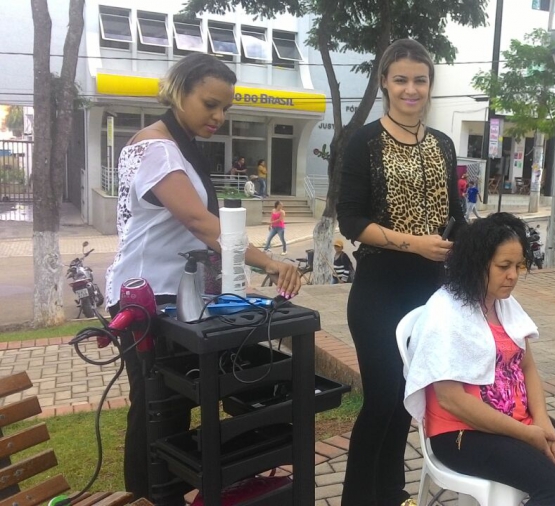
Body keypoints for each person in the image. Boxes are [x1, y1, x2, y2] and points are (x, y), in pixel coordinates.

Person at [103, 53, 301, 502]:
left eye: (225, 108)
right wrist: (268, 263)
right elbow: (199, 222)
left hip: (173, 294)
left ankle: (170, 493)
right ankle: (150, 496)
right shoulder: (157, 149)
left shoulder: (175, 145)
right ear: (178, 93)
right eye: (210, 104)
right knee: (157, 408)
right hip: (148, 297)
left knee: (171, 406)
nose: (219, 116)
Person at [337, 38, 466, 506]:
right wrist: (416, 243)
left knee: (407, 401)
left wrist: (474, 251)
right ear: (384, 83)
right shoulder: (365, 141)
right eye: (401, 80)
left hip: (431, 293)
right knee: (381, 400)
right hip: (379, 290)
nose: (411, 89)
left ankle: (391, 495)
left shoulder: (443, 144)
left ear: (430, 84)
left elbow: (455, 215)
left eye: (420, 80)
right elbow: (350, 221)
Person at [404, 213, 555, 505]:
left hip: (517, 419)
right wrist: (526, 433)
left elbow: (527, 366)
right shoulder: (445, 314)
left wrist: (542, 421)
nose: (513, 275)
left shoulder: (504, 305)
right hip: (461, 433)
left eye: (518, 266)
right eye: (503, 266)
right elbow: (451, 400)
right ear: (477, 263)